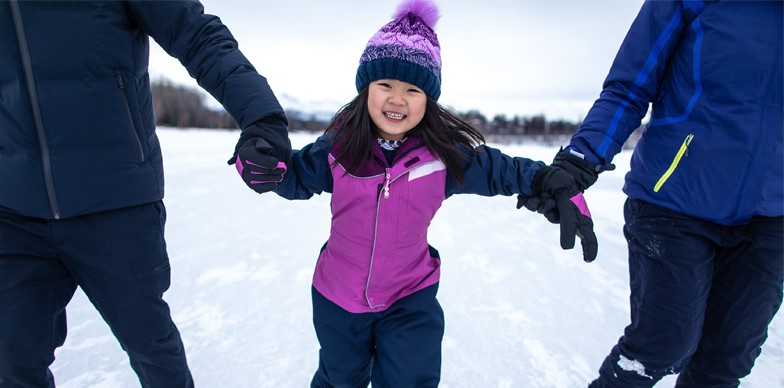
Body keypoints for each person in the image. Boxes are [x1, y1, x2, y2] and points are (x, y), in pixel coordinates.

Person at [235, 0, 596, 386]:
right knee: (339, 379)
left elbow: (501, 170)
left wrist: (547, 182)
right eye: (385, 84)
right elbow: (292, 177)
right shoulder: (338, 148)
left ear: (429, 100)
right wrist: (259, 164)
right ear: (365, 89)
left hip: (410, 295)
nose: (397, 98)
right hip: (338, 297)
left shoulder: (444, 157)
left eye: (413, 89)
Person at [0, 1, 290, 386]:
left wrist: (262, 117)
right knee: (11, 364)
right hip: (14, 210)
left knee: (153, 351)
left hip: (116, 202)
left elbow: (197, 34)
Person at [519, 0, 783, 386]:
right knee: (661, 347)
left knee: (725, 362)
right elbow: (630, 86)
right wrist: (581, 160)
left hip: (772, 216)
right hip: (674, 200)